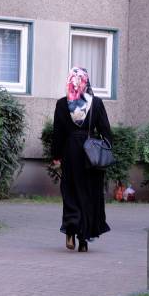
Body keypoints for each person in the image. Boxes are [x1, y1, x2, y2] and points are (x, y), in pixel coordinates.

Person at [51, 67, 112, 252]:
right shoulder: (96, 103)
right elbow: (106, 132)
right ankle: (84, 240)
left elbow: (57, 134)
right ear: (86, 82)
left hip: (70, 153)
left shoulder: (62, 104)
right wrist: (105, 151)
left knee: (70, 191)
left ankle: (70, 230)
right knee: (88, 194)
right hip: (90, 155)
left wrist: (56, 157)